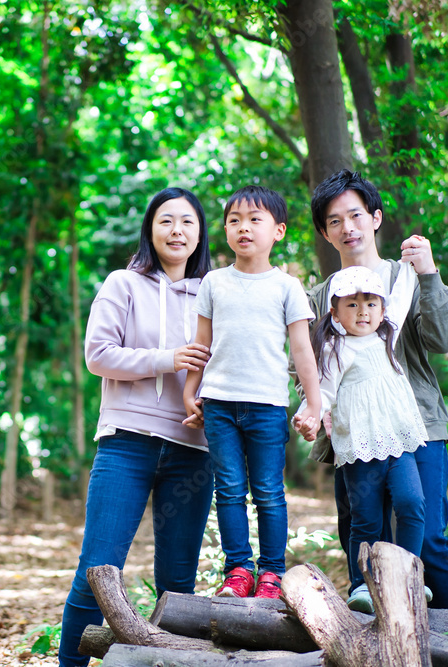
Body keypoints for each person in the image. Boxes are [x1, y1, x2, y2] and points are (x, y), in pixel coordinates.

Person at [58, 187, 215, 667]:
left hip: (192, 448)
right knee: (96, 571)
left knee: (178, 586)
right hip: (128, 443)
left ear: (200, 233)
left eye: (187, 222)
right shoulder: (122, 284)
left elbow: (229, 364)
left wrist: (212, 401)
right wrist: (169, 359)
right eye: (166, 221)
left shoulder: (215, 293)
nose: (177, 231)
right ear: (151, 228)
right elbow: (98, 355)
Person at [304, 169, 448, 610]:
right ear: (324, 232)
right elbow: (308, 369)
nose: (347, 227)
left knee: (430, 537)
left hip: (418, 428)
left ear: (375, 218)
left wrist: (429, 273)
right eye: (334, 221)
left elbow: (445, 339)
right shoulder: (320, 299)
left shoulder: (407, 278)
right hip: (354, 434)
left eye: (355, 215)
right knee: (362, 534)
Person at [182, 185, 322, 599]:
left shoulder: (287, 287)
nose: (244, 228)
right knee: (228, 489)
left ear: (277, 231)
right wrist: (192, 392)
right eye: (234, 220)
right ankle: (238, 571)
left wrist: (313, 404)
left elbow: (302, 350)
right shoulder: (213, 282)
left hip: (267, 406)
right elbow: (201, 345)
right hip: (220, 405)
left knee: (267, 492)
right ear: (224, 229)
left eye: (255, 220)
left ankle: (272, 575)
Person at [299, 264, 430, 612]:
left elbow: (401, 297)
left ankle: (408, 574)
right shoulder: (335, 349)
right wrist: (309, 415)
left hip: (399, 443)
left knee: (412, 504)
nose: (363, 311)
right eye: (352, 304)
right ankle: (362, 585)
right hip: (359, 449)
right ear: (335, 312)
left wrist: (410, 267)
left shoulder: (389, 335)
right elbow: (322, 392)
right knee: (366, 520)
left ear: (382, 309)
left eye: (371, 303)